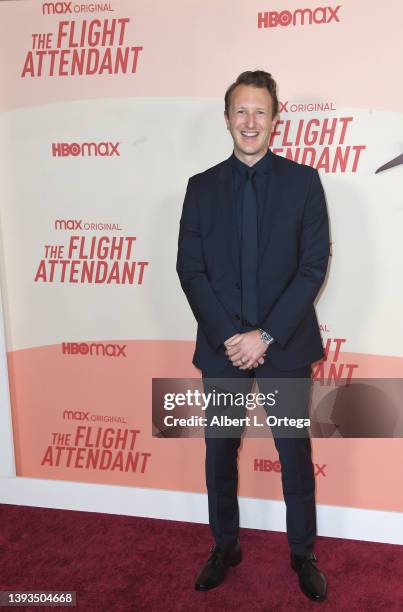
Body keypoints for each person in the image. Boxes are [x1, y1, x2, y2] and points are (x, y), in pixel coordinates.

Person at [176, 70, 330, 602]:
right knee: (219, 453)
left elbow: (312, 268)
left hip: (283, 346)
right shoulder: (200, 188)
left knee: (293, 453)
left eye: (260, 111)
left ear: (275, 118)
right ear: (226, 119)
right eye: (240, 111)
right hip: (222, 350)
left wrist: (263, 335)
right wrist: (229, 338)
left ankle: (303, 552)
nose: (250, 121)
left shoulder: (304, 182)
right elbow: (189, 271)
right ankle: (225, 546)